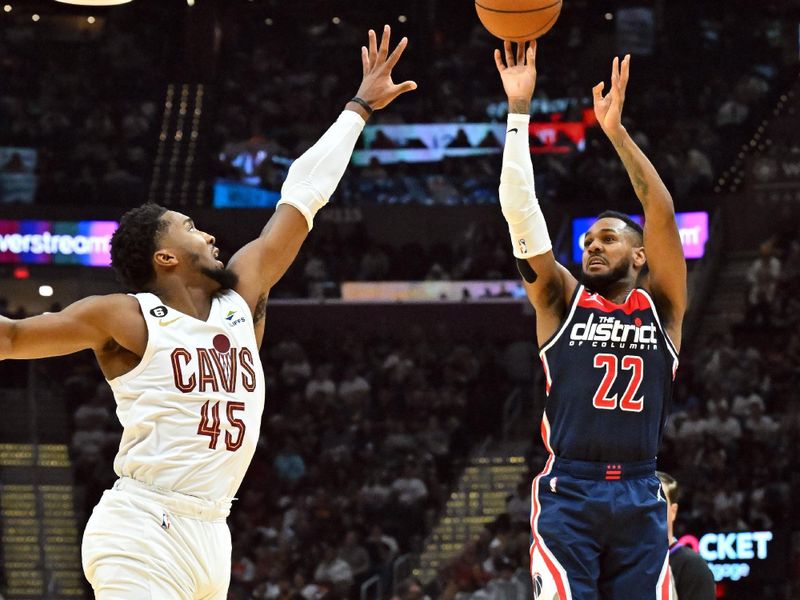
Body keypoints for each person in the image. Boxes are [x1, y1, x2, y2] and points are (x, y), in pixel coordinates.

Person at [0, 25, 416, 600]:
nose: (209, 233)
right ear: (165, 256)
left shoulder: (240, 298)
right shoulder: (125, 315)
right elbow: (14, 338)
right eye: (191, 228)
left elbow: (302, 197)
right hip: (142, 526)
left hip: (213, 531)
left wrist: (359, 107)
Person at [494, 40, 687, 598]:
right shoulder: (560, 298)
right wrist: (518, 111)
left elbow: (661, 212)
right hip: (569, 492)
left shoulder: (663, 307)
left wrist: (617, 135)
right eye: (586, 240)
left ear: (640, 254)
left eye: (607, 239)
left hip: (641, 489)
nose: (592, 247)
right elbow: (519, 213)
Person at [656, 472, 716, 600]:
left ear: (673, 511)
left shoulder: (692, 566)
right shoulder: (627, 560)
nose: (651, 509)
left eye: (659, 502)